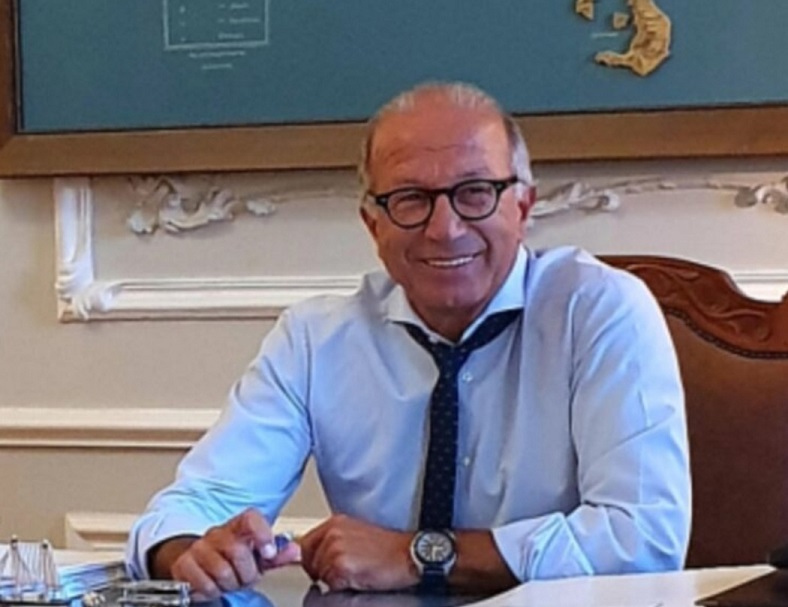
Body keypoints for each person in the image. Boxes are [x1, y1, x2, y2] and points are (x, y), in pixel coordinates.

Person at [126, 82, 691, 599]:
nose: (445, 228)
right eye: (411, 199)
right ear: (373, 225)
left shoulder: (600, 311)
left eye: (476, 192)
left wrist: (417, 555)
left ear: (523, 206)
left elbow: (643, 539)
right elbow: (191, 507)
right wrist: (190, 554)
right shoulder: (315, 340)